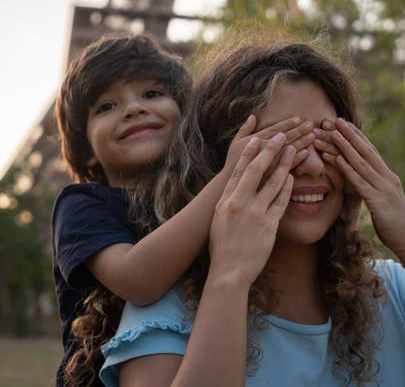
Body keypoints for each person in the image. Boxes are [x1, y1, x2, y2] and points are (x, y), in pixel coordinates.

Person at [100, 42, 405, 386]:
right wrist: (229, 278)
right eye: (280, 143)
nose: (314, 165)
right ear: (220, 165)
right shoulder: (166, 314)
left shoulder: (393, 290)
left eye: (326, 140)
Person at [52, 35, 314, 386]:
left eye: (151, 94)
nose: (133, 109)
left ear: (185, 117)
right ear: (86, 150)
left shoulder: (195, 194)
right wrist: (229, 177)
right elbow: (138, 280)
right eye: (106, 107)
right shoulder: (81, 206)